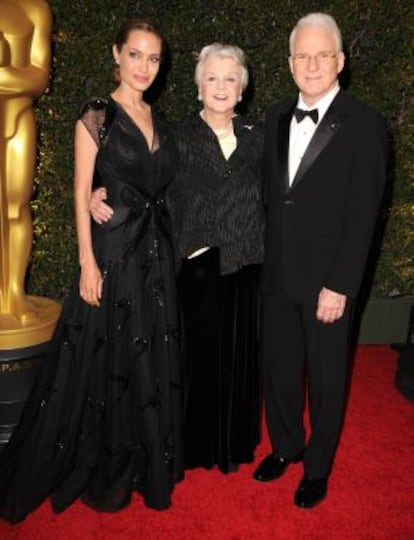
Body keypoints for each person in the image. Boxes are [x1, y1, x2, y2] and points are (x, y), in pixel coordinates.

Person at [0, 18, 183, 523]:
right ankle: (103, 456)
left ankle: (146, 455)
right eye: (136, 55)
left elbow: (162, 186)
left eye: (154, 58)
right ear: (116, 55)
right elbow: (82, 194)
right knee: (106, 357)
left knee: (147, 353)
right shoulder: (97, 114)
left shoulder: (158, 118)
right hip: (113, 250)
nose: (145, 66)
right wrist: (86, 261)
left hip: (155, 253)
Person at [91, 43, 265, 473]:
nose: (221, 87)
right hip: (196, 266)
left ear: (241, 90)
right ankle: (196, 446)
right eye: (212, 78)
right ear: (199, 87)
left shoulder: (258, 139)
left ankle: (234, 443)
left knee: (239, 360)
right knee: (196, 362)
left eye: (230, 80)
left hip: (247, 265)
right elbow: (139, 178)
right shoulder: (175, 135)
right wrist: (100, 191)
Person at [253, 13, 387, 509]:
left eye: (322, 55)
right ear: (290, 64)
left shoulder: (366, 124)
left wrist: (341, 284)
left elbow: (363, 214)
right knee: (279, 370)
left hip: (328, 282)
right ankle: (286, 447)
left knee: (329, 380)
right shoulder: (272, 118)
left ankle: (317, 467)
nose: (312, 64)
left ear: (340, 61)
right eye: (302, 56)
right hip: (277, 274)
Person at [0, 0, 51, 321]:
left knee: (16, 207)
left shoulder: (34, 8)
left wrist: (6, 75)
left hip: (17, 118)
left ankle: (14, 291)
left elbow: (39, 78)